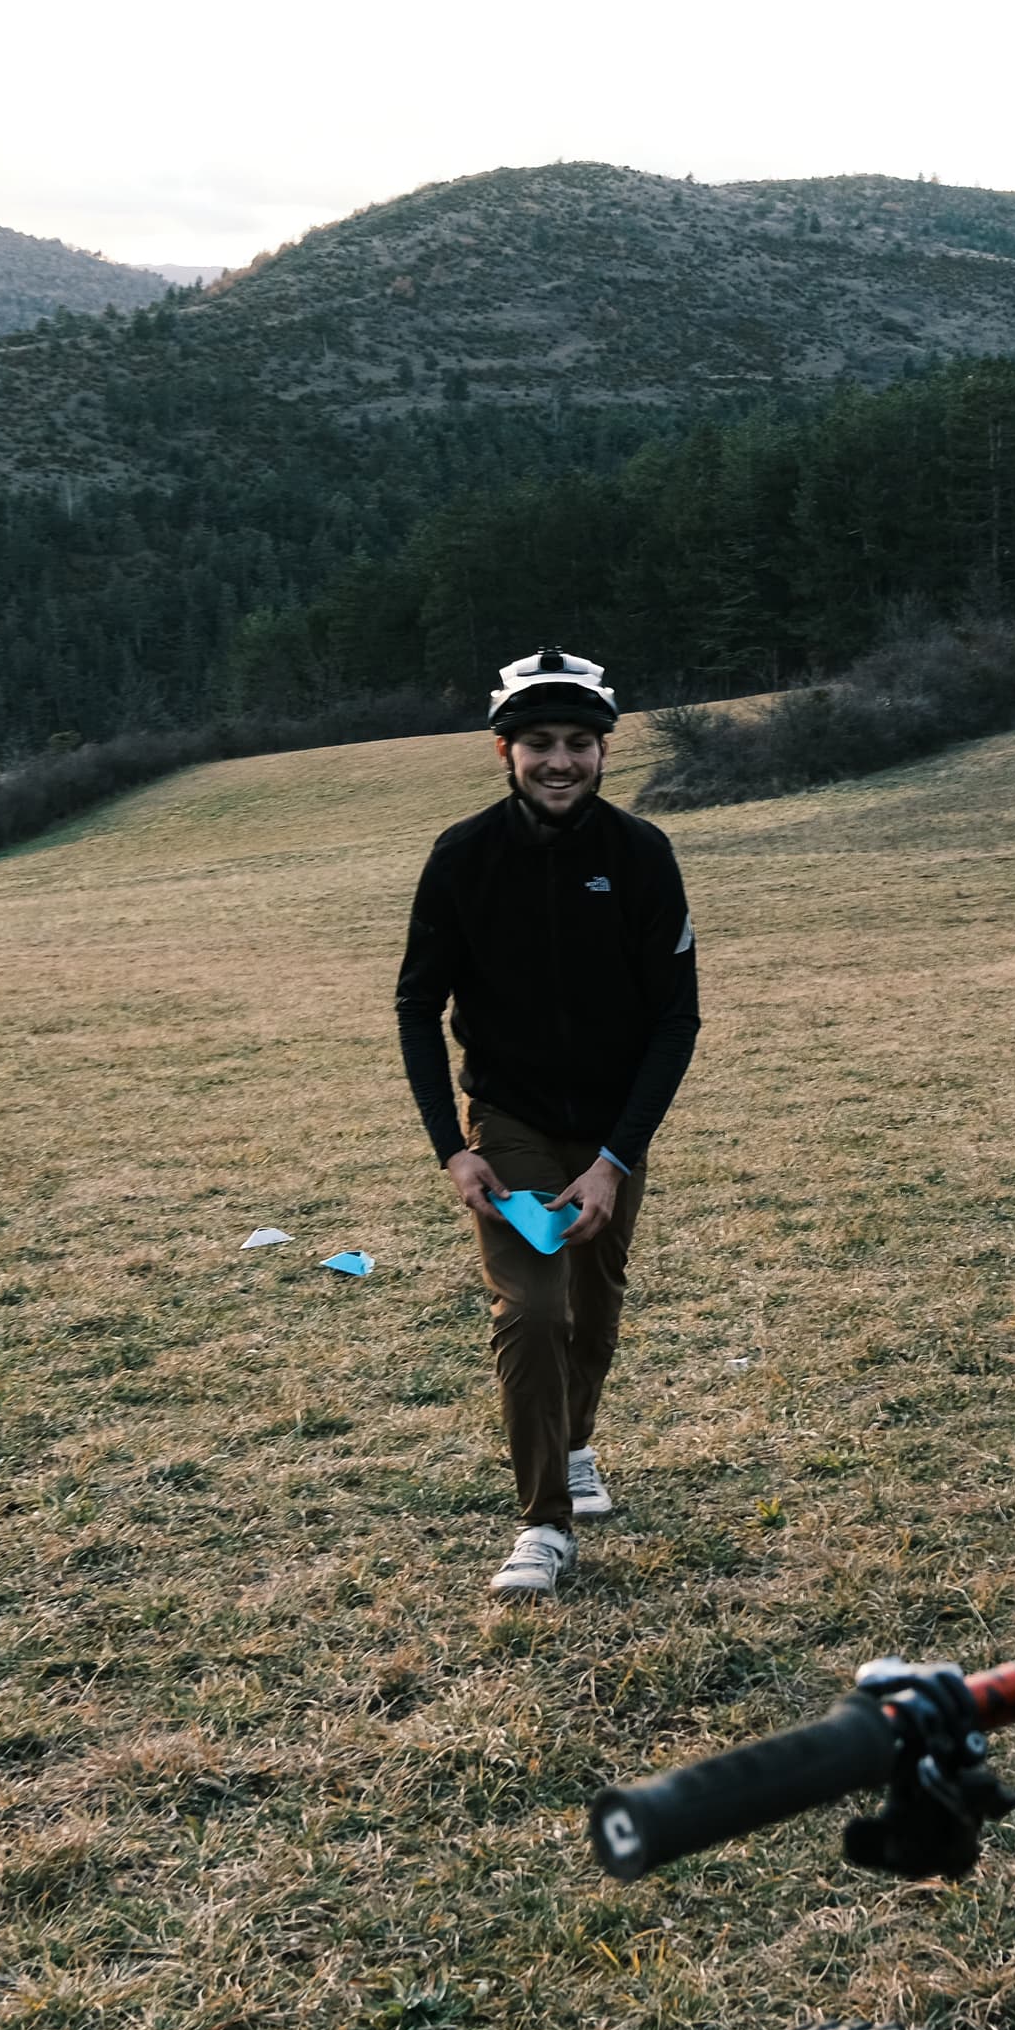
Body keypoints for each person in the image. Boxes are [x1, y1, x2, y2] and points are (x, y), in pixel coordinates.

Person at [394, 646, 700, 1600]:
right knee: (532, 1310)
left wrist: (615, 1158)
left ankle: (573, 1446)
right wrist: (454, 1147)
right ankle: (543, 1526)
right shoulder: (462, 857)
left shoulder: (641, 855)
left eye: (578, 742)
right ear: (504, 750)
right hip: (512, 1121)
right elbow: (416, 1006)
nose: (559, 761)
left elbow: (675, 1017)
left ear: (605, 751)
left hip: (611, 1130)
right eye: (538, 743)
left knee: (593, 1319)